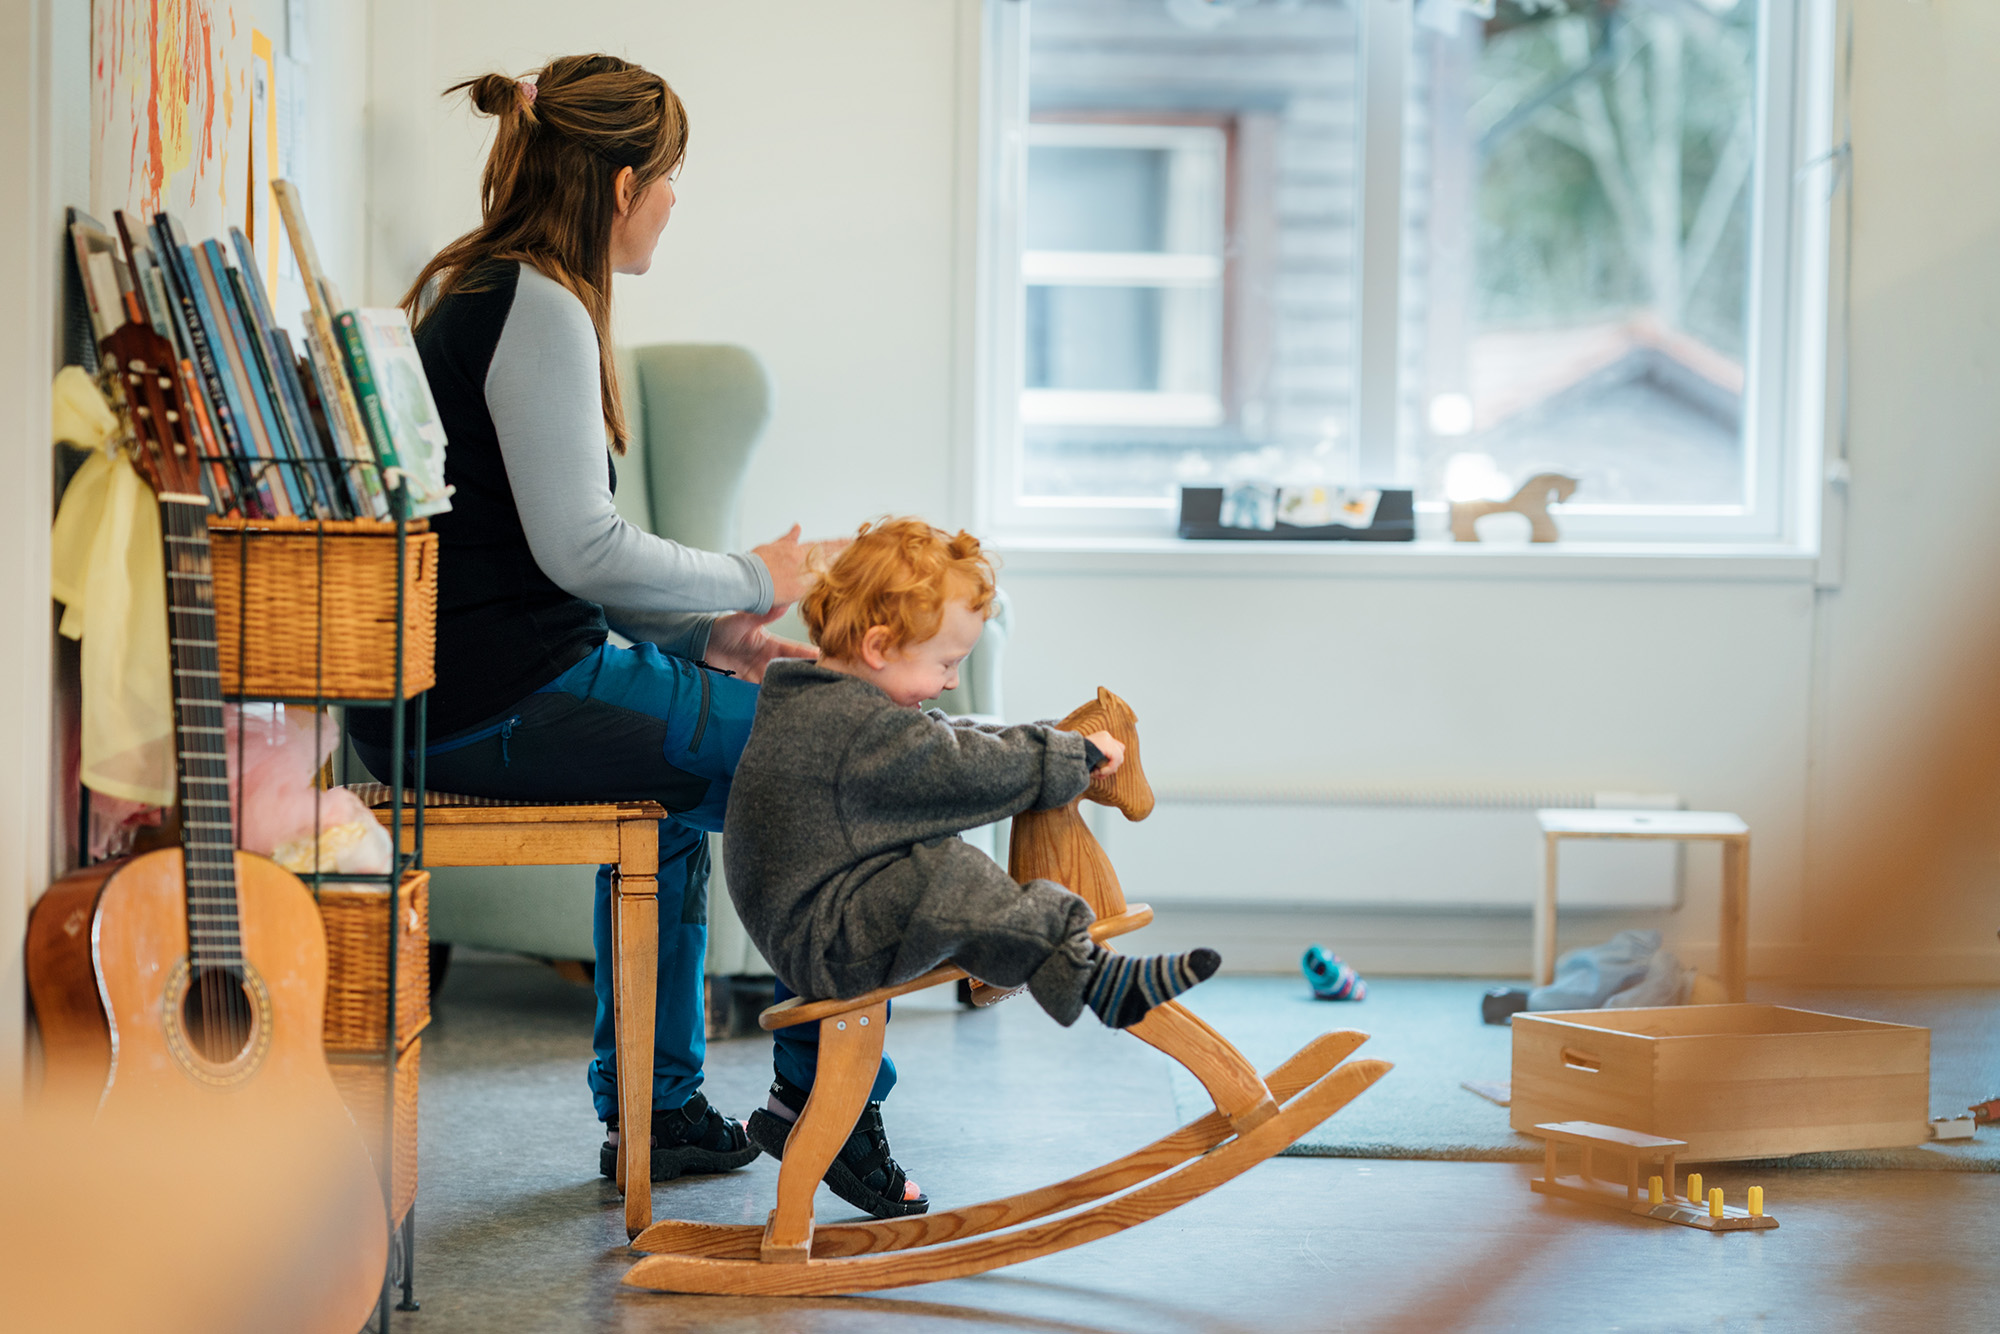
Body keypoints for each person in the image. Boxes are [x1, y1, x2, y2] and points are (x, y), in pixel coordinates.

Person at [345, 54, 896, 1196]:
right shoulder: (533, 302)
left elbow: (540, 554)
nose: (674, 202)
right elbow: (580, 551)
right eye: (670, 176)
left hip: (480, 681)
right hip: (493, 698)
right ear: (620, 182)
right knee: (821, 762)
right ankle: (822, 1103)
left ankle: (663, 1110)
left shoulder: (498, 287)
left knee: (691, 803)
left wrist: (703, 641)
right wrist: (755, 571)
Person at [724, 519, 1223, 1190]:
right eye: (946, 663)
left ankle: (1048, 961)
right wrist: (1070, 755)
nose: (952, 681)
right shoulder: (853, 728)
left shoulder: (833, 705)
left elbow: (947, 736)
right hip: (826, 934)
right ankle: (1090, 977)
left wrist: (1042, 740)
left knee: (941, 868)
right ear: (879, 646)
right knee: (946, 871)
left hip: (823, 912)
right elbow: (953, 766)